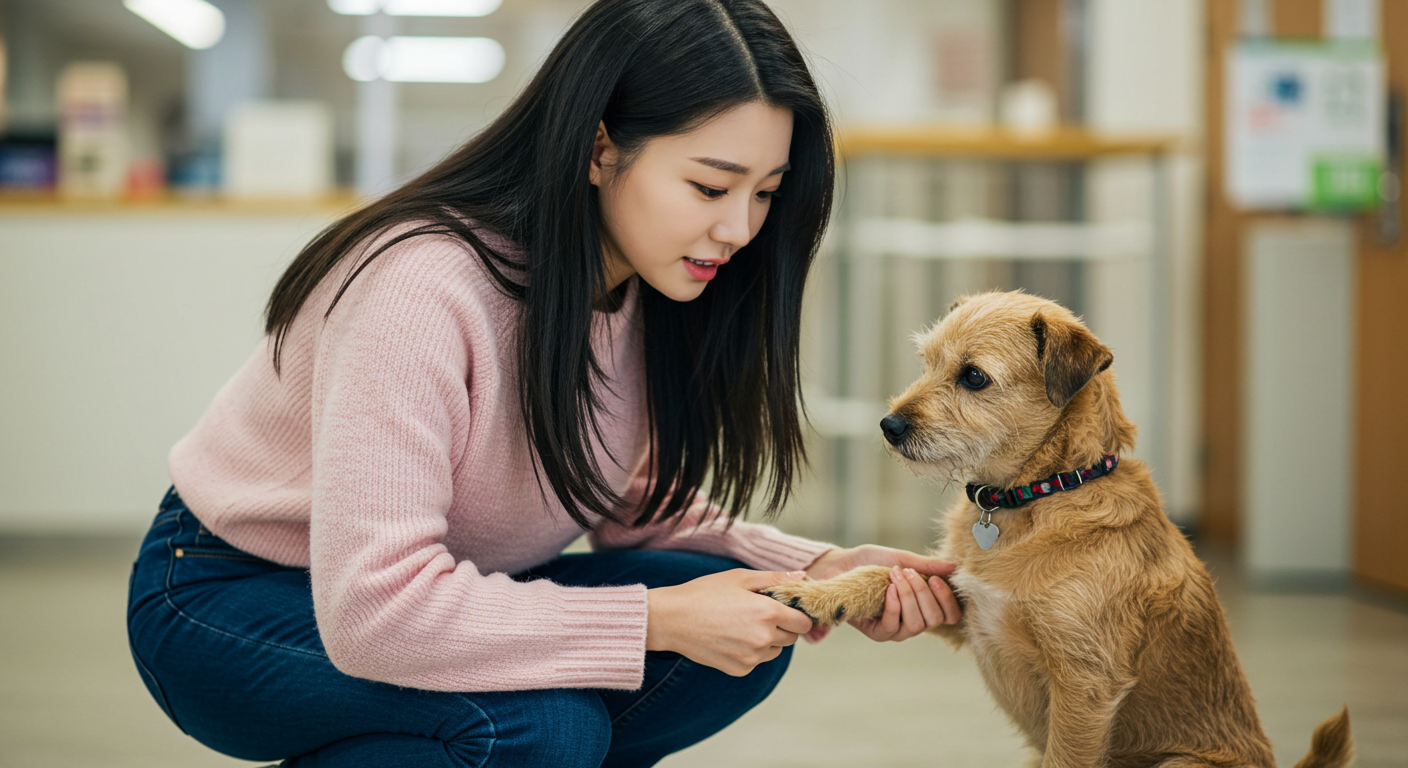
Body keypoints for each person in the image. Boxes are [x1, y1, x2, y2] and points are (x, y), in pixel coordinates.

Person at [126, 1, 960, 765]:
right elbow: (376, 608)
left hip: (439, 592)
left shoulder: (643, 281)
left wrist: (817, 569)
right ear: (600, 147)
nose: (738, 228)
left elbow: (631, 501)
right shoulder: (422, 286)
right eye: (709, 185)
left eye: (765, 194)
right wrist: (654, 620)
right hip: (230, 597)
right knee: (541, 723)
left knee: (743, 632)